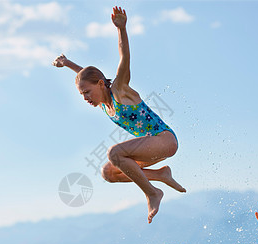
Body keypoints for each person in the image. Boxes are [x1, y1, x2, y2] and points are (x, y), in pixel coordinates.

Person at [53, 7, 186, 223]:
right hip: (151, 150)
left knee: (114, 153)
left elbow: (124, 57)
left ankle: (152, 193)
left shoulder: (119, 90)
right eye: (81, 94)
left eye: (87, 92)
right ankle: (161, 175)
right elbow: (83, 74)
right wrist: (67, 63)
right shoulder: (105, 104)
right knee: (109, 173)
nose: (85, 97)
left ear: (99, 84)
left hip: (164, 140)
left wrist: (121, 29)